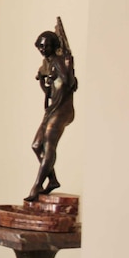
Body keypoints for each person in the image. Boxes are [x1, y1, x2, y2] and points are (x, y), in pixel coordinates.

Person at [26, 25, 77, 201]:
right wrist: (44, 83)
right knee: (36, 145)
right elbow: (46, 86)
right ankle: (52, 180)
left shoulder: (60, 61)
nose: (43, 49)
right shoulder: (46, 64)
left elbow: (69, 83)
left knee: (49, 145)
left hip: (63, 109)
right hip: (52, 109)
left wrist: (68, 67)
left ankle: (37, 186)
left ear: (54, 46)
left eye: (46, 46)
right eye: (40, 46)